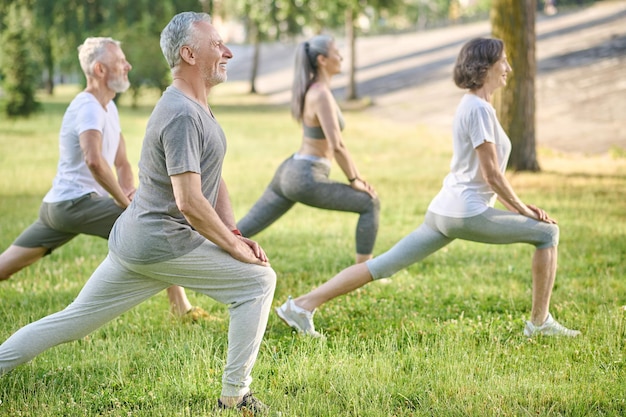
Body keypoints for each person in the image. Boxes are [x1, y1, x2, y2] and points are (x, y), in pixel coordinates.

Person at [0, 12, 276, 414]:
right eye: (217, 44)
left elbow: (214, 181)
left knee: (72, 322)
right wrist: (233, 245)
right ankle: (234, 397)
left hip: (138, 242)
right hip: (160, 243)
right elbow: (188, 201)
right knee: (258, 281)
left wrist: (233, 229)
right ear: (188, 53)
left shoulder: (194, 106)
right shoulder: (182, 113)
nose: (227, 51)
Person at [275, 37, 580, 339]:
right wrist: (525, 211)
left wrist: (518, 209)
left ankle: (301, 305)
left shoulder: (472, 105)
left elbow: (485, 174)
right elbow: (492, 176)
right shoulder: (480, 110)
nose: (508, 68)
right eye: (503, 62)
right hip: (466, 213)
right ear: (485, 67)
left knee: (381, 266)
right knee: (547, 233)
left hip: (443, 211)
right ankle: (539, 324)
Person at [0, 36, 207, 319]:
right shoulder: (88, 107)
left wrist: (130, 191)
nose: (128, 66)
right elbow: (94, 160)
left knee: (6, 266)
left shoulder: (108, 107)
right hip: (75, 204)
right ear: (99, 70)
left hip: (59, 207)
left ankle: (181, 308)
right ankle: (182, 310)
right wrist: (124, 202)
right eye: (120, 62)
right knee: (156, 227)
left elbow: (121, 161)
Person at [236, 35, 380, 264]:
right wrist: (355, 179)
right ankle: (363, 271)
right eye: (336, 52)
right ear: (322, 59)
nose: (341, 56)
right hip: (305, 176)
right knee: (369, 202)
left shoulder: (311, 89)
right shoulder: (321, 94)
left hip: (289, 170)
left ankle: (193, 258)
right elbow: (337, 145)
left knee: (238, 233)